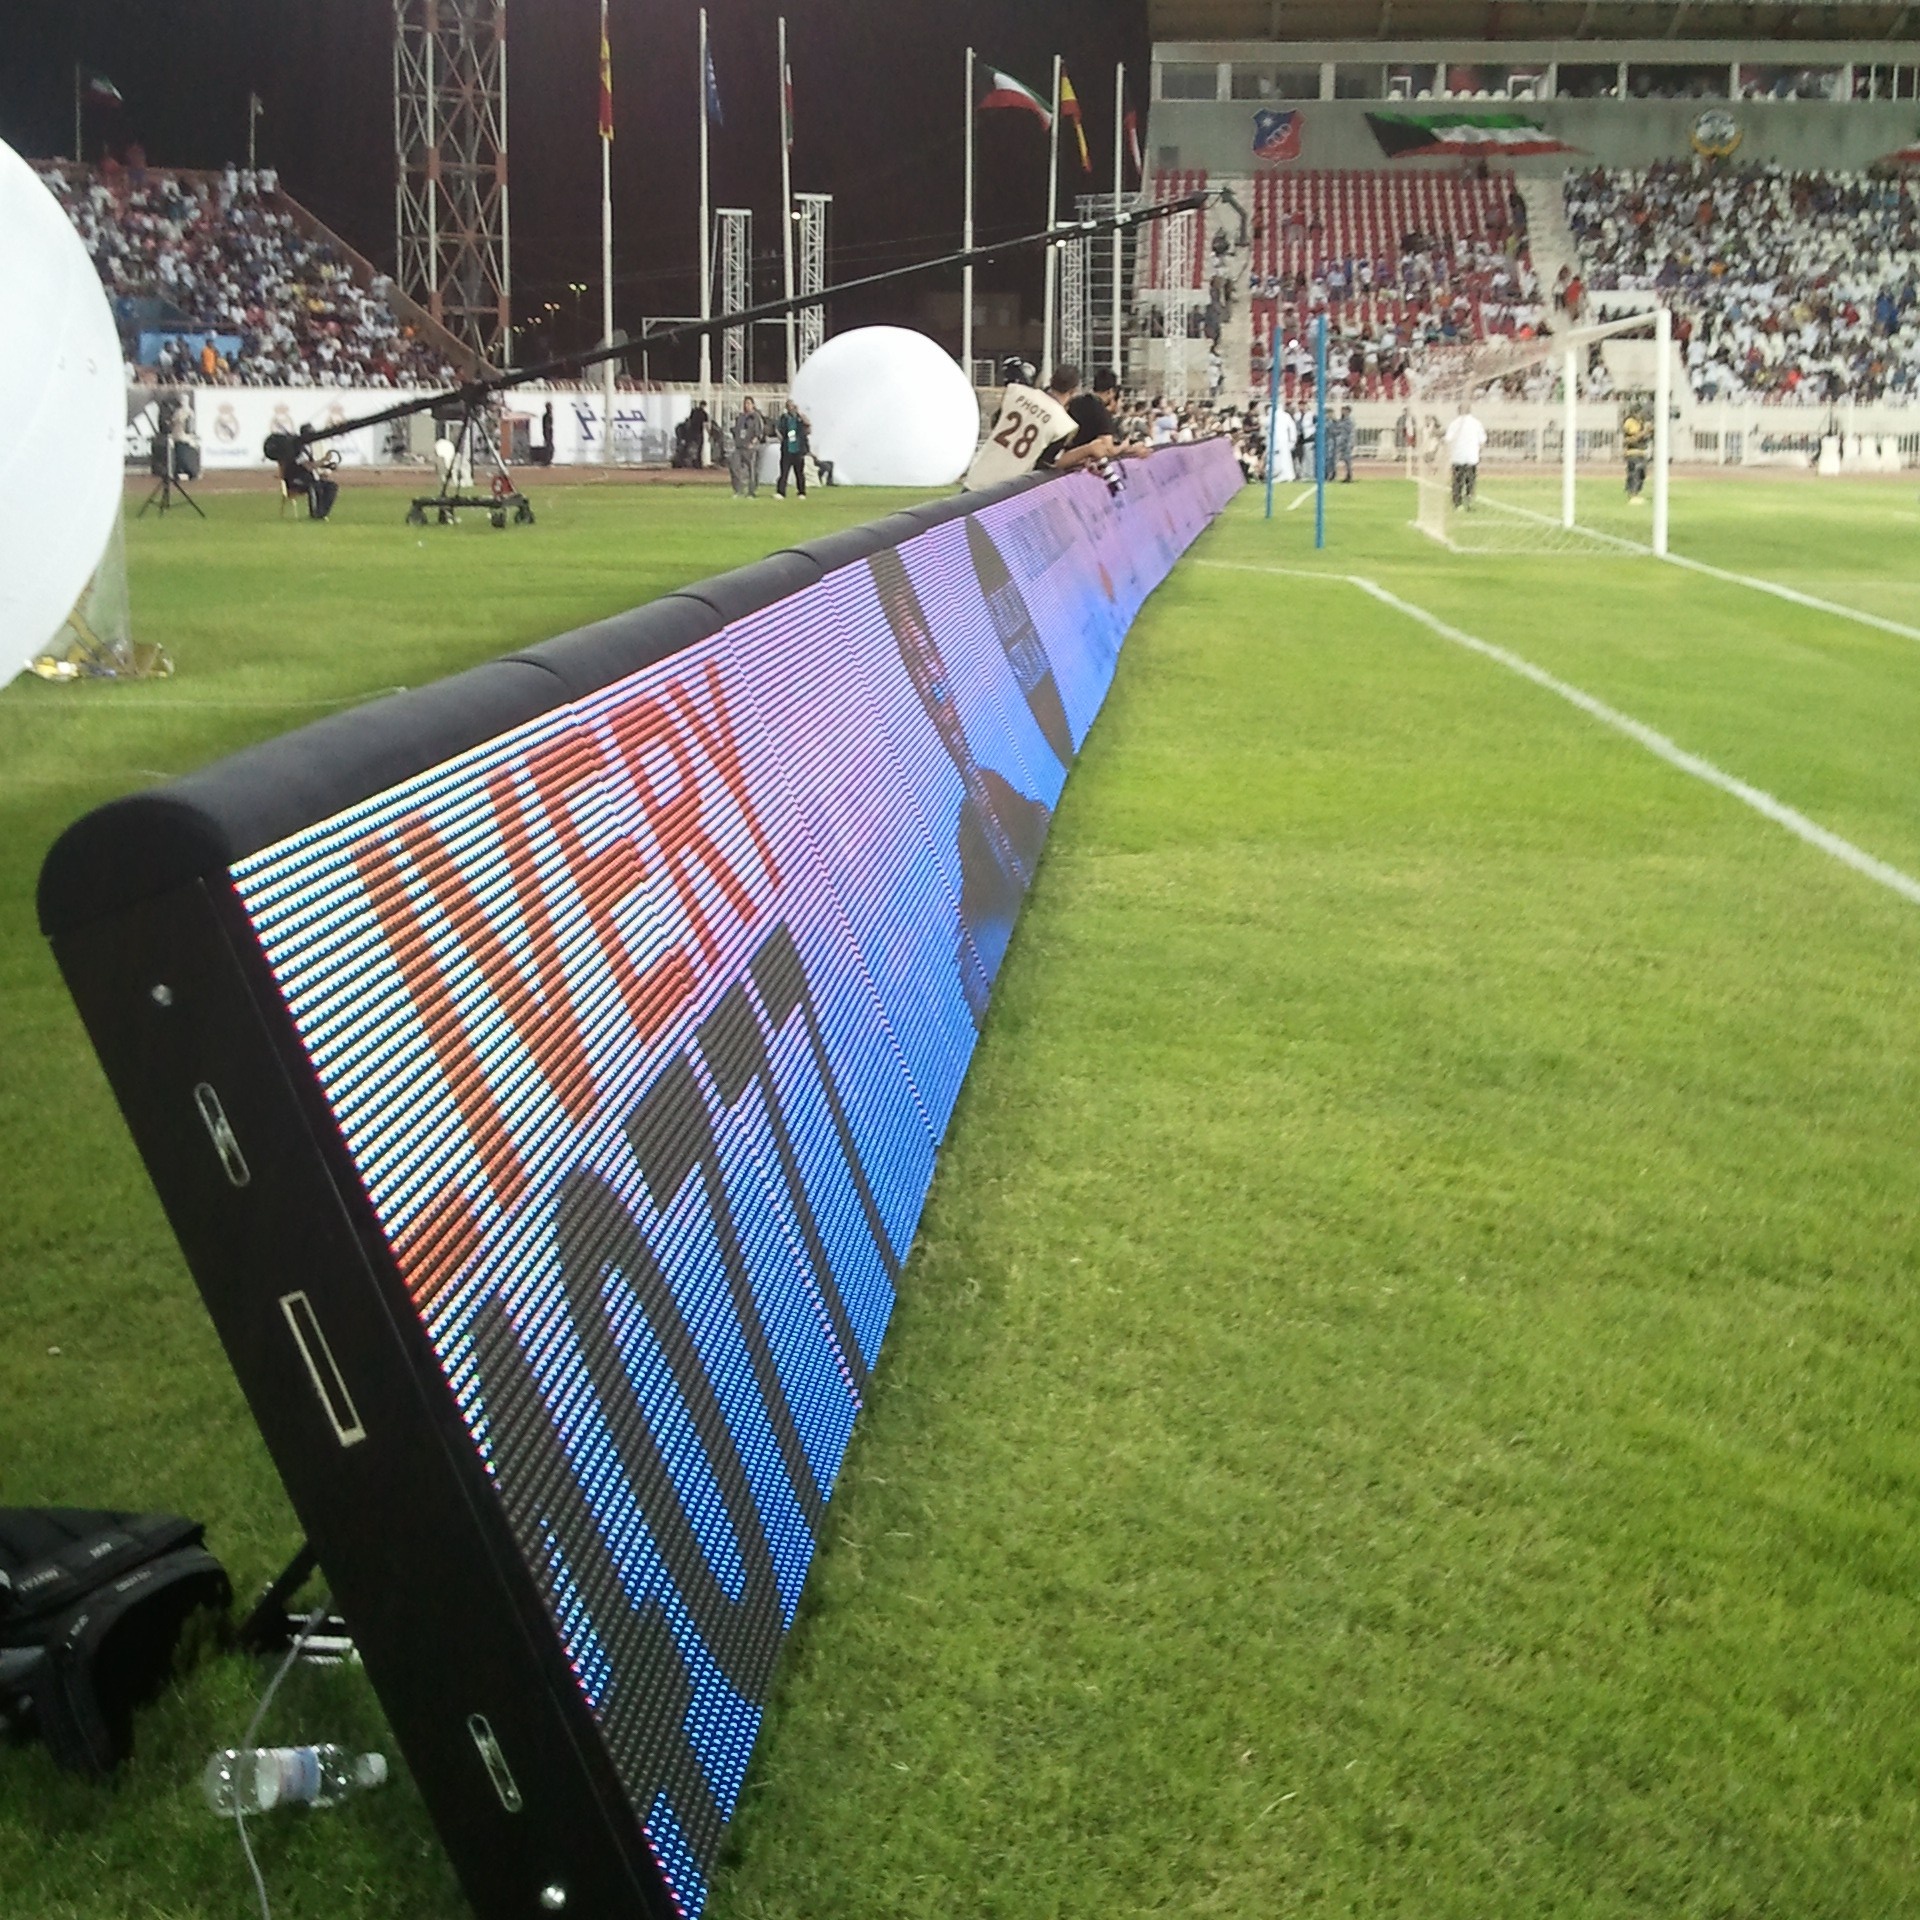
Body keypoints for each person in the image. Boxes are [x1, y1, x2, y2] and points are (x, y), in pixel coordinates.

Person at [961, 356, 1076, 490]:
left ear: (1051, 380)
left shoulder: (1016, 391)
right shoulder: (1065, 424)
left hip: (980, 476)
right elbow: (1044, 466)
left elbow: (996, 422)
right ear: (1073, 391)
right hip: (1011, 490)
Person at [1442, 399, 1487, 508]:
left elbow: (1447, 440)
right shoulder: (1476, 423)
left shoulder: (1454, 423)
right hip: (1472, 457)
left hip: (1457, 457)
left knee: (1457, 481)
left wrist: (1447, 453)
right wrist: (1479, 453)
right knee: (1470, 481)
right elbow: (1482, 441)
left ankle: (1457, 503)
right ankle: (1469, 501)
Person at [772, 398, 811, 498]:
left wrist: (800, 414)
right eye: (789, 406)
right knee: (784, 471)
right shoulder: (784, 418)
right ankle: (781, 492)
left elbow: (808, 426)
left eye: (792, 406)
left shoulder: (799, 418)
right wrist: (780, 437)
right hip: (787, 449)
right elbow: (778, 429)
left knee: (799, 472)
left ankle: (801, 492)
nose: (791, 408)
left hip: (798, 449)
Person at [729, 396, 765, 497]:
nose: (746, 405)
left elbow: (759, 433)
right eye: (745, 403)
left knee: (752, 470)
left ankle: (751, 491)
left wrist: (753, 442)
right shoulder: (740, 417)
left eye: (749, 403)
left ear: (753, 405)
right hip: (739, 446)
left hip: (750, 447)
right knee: (734, 467)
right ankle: (738, 490)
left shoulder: (756, 417)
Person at [1621, 406, 1652, 501]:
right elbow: (1633, 438)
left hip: (1642, 452)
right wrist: (1645, 431)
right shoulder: (1630, 422)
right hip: (1632, 452)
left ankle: (1636, 493)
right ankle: (1632, 494)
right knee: (1635, 472)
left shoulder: (1642, 423)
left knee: (1642, 474)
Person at [1329, 405, 1356, 483]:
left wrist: (1350, 443)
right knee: (1335, 459)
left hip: (1346, 443)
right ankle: (1333, 474)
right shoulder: (1341, 420)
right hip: (1339, 443)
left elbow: (1351, 433)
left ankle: (1349, 475)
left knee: (1347, 461)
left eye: (1344, 410)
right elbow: (1337, 430)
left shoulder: (1350, 421)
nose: (1342, 412)